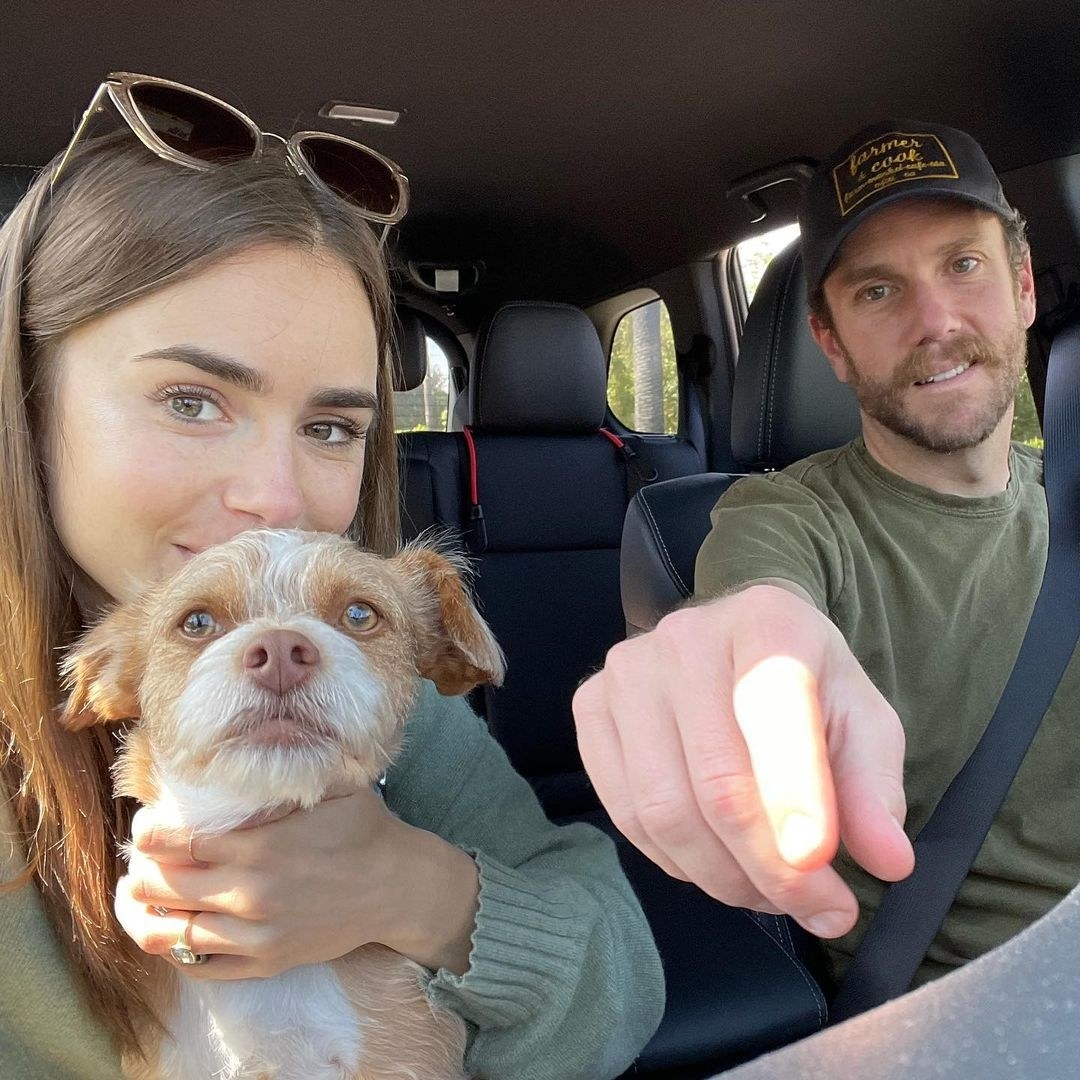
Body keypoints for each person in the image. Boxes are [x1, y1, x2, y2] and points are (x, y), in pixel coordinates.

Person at [0, 72, 663, 1079]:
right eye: (191, 401)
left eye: (329, 428)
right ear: (29, 398)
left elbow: (623, 989)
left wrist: (417, 890)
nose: (274, 495)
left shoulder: (373, 690)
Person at [575, 119, 1080, 993]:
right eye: (879, 292)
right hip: (974, 1004)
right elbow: (753, 612)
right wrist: (732, 648)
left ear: (1026, 286)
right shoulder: (786, 514)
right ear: (832, 342)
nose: (936, 322)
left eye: (963, 264)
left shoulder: (1069, 500)